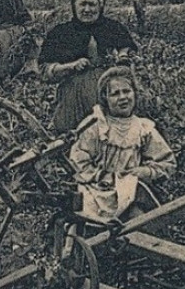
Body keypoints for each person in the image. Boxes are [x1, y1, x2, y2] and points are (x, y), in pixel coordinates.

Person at [68, 67, 176, 224]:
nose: (123, 97)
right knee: (89, 225)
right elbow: (78, 160)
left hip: (128, 192)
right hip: (95, 190)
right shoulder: (95, 125)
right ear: (105, 98)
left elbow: (167, 162)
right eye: (115, 94)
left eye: (127, 91)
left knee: (140, 224)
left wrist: (145, 171)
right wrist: (103, 176)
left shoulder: (142, 128)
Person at [38, 0, 138, 132]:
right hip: (74, 93)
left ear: (100, 6)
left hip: (110, 90)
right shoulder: (61, 33)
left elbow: (127, 47)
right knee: (72, 133)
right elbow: (45, 70)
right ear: (74, 6)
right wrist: (70, 66)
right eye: (82, 4)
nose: (87, 10)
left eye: (92, 5)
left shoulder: (113, 27)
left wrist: (122, 55)